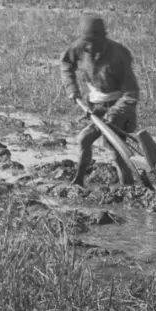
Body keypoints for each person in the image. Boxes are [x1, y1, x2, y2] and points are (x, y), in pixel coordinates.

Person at [60, 14, 141, 187]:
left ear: (104, 37)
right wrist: (72, 90)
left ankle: (128, 186)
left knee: (116, 152)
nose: (89, 46)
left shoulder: (118, 55)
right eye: (87, 41)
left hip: (119, 108)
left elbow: (131, 93)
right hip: (96, 107)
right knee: (84, 140)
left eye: (94, 41)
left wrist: (113, 113)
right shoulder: (79, 47)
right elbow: (66, 64)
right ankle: (79, 181)